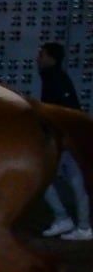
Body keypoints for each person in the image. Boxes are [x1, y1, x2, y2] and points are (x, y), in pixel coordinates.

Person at [37, 42, 90, 240]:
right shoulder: (54, 77)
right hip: (63, 140)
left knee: (47, 180)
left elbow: (68, 111)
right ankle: (79, 225)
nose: (38, 58)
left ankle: (71, 222)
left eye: (41, 54)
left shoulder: (56, 79)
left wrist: (66, 138)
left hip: (64, 141)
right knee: (74, 182)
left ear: (51, 58)